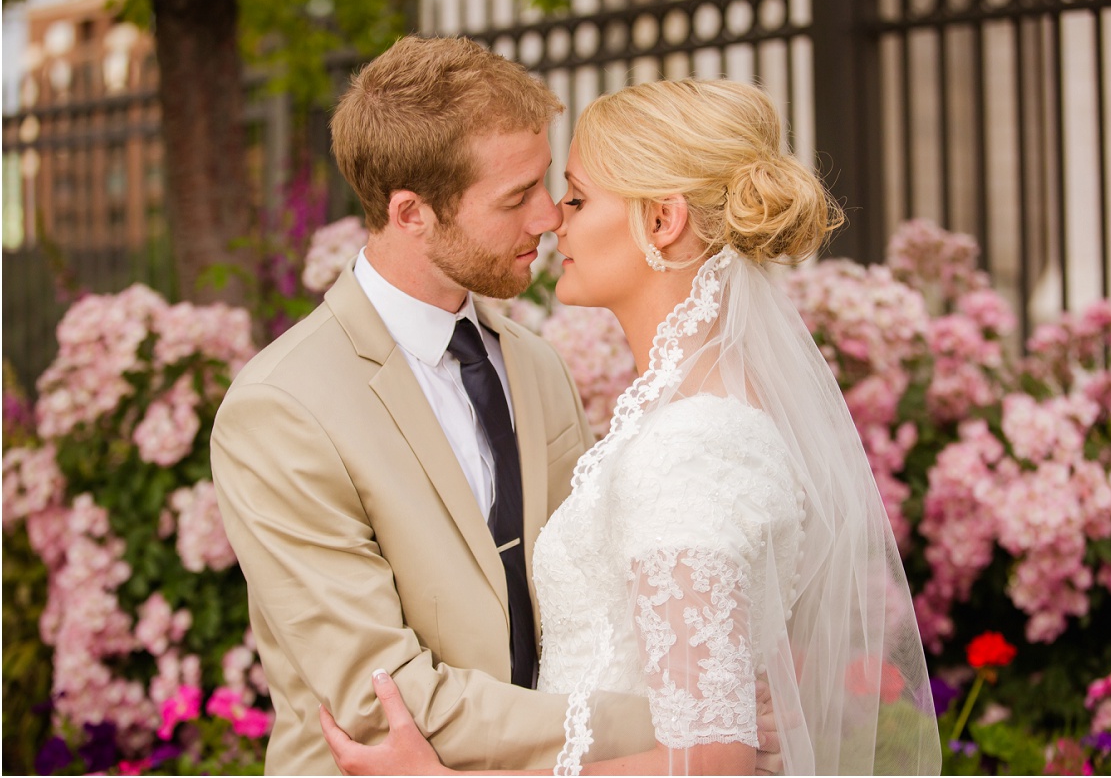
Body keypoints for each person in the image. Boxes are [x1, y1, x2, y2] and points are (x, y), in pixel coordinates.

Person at [320, 79, 943, 775]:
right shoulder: (703, 415)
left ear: (661, 222)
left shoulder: (686, 447)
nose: (555, 219)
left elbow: (711, 761)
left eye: (578, 198)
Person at [210, 35, 660, 774]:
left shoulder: (537, 365)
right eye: (516, 197)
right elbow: (386, 703)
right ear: (411, 212)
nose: (550, 216)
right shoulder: (280, 409)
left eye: (544, 183)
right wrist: (673, 724)